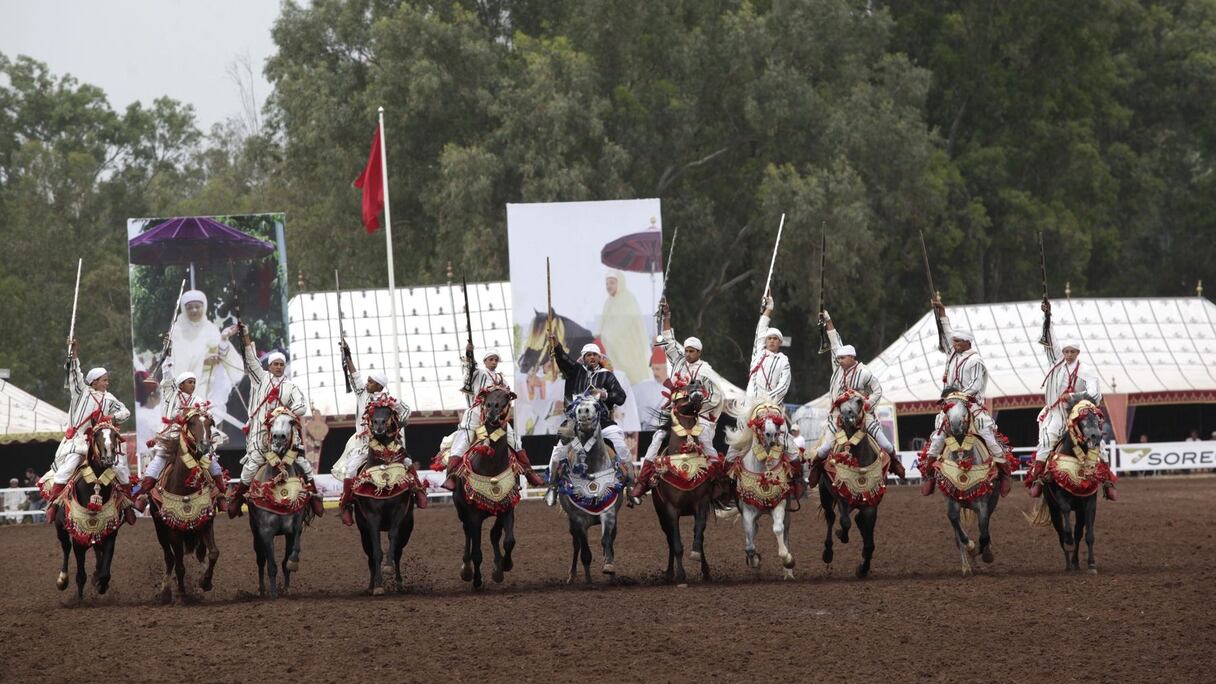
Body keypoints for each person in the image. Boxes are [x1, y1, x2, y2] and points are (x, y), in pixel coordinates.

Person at [919, 295, 1013, 496]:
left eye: (958, 341)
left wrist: (959, 395)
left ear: (967, 342)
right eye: (954, 341)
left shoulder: (975, 360)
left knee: (988, 435)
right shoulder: (952, 353)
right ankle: (928, 474)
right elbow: (945, 332)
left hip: (971, 405)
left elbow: (977, 384)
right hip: (950, 404)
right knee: (937, 436)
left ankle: (1005, 473)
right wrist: (941, 312)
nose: (954, 344)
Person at [631, 298, 722, 498]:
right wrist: (667, 316)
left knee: (706, 441)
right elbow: (668, 341)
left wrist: (699, 405)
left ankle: (717, 484)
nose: (687, 354)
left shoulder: (706, 370)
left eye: (691, 351)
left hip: (700, 418)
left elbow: (716, 397)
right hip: (675, 416)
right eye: (686, 351)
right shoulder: (679, 362)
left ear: (699, 352)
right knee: (657, 438)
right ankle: (642, 481)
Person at [228, 323, 322, 517]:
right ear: (269, 366)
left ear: (284, 366)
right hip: (261, 438)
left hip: (286, 438)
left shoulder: (291, 386)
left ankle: (314, 497)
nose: (278, 367)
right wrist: (245, 334)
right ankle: (237, 500)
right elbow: (250, 358)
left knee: (303, 463)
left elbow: (302, 406)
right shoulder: (259, 379)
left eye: (281, 364)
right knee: (251, 466)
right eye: (275, 364)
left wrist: (284, 412)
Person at [1026, 300, 1115, 500]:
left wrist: (1073, 397)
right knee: (1048, 438)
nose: (1068, 355)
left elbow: (1094, 394)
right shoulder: (1056, 364)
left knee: (1096, 441)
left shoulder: (1086, 371)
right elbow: (1051, 340)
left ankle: (1107, 481)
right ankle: (1038, 477)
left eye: (1072, 352)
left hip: (1080, 413)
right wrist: (1047, 317)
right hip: (1057, 412)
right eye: (1066, 351)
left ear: (1078, 353)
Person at [806, 310, 904, 484]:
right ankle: (816, 470)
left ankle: (895, 463)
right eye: (838, 358)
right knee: (823, 449)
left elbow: (878, 390)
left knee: (886, 444)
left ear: (852, 357)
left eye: (842, 358)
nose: (839, 360)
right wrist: (828, 321)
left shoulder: (864, 372)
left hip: (863, 417)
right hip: (838, 418)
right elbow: (834, 342)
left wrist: (867, 404)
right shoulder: (837, 369)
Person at [43, 341, 132, 522]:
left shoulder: (110, 398)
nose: (107, 383)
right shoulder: (81, 392)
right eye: (104, 380)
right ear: (94, 381)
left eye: (107, 380)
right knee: (67, 468)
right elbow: (75, 375)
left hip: (101, 441)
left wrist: (112, 419)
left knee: (120, 467)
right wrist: (74, 354)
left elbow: (126, 412)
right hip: (78, 442)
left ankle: (127, 503)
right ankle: (54, 503)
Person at [336, 354, 419, 526]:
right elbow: (355, 377)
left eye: (370, 382)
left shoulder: (390, 401)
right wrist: (348, 357)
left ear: (379, 385)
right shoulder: (362, 395)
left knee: (407, 461)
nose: (366, 384)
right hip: (364, 445)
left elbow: (406, 411)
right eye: (367, 381)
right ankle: (346, 506)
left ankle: (419, 492)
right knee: (350, 470)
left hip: (389, 445)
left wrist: (397, 425)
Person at [546, 334, 634, 497]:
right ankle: (552, 487)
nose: (592, 357)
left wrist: (604, 394)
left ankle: (631, 484)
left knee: (621, 446)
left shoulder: (607, 375)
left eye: (594, 355)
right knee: (558, 451)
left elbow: (621, 397)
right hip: (575, 423)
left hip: (603, 422)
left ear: (599, 357)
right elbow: (564, 359)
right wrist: (557, 345)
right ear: (583, 358)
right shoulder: (575, 371)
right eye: (588, 355)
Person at [133, 369, 229, 512]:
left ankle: (221, 495)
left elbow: (204, 415)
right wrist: (168, 361)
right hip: (171, 437)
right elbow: (167, 379)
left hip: (192, 439)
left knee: (211, 461)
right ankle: (144, 496)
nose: (193, 385)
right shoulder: (170, 395)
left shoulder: (198, 400)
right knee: (158, 461)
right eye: (190, 382)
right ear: (181, 384)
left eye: (194, 382)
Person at [164, 289, 244, 434]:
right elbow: (178, 362)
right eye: (190, 307)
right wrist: (203, 361)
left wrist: (224, 338)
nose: (194, 310)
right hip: (189, 386)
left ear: (204, 307)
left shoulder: (210, 328)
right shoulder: (177, 331)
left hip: (211, 384)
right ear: (184, 309)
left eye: (197, 306)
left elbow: (224, 355)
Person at [598, 270, 650, 386]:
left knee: (631, 381)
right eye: (607, 283)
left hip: (629, 349)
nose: (609, 286)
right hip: (612, 350)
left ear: (619, 283)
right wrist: (599, 337)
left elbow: (623, 324)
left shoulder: (628, 299)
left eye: (612, 283)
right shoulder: (609, 302)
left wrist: (606, 335)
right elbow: (604, 324)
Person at [746, 295, 791, 404]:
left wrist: (766, 399)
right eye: (769, 338)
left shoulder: (783, 361)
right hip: (749, 403)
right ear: (765, 341)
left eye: (775, 339)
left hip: (769, 404)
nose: (771, 341)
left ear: (780, 342)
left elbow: (783, 386)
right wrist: (769, 308)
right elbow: (761, 328)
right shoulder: (759, 352)